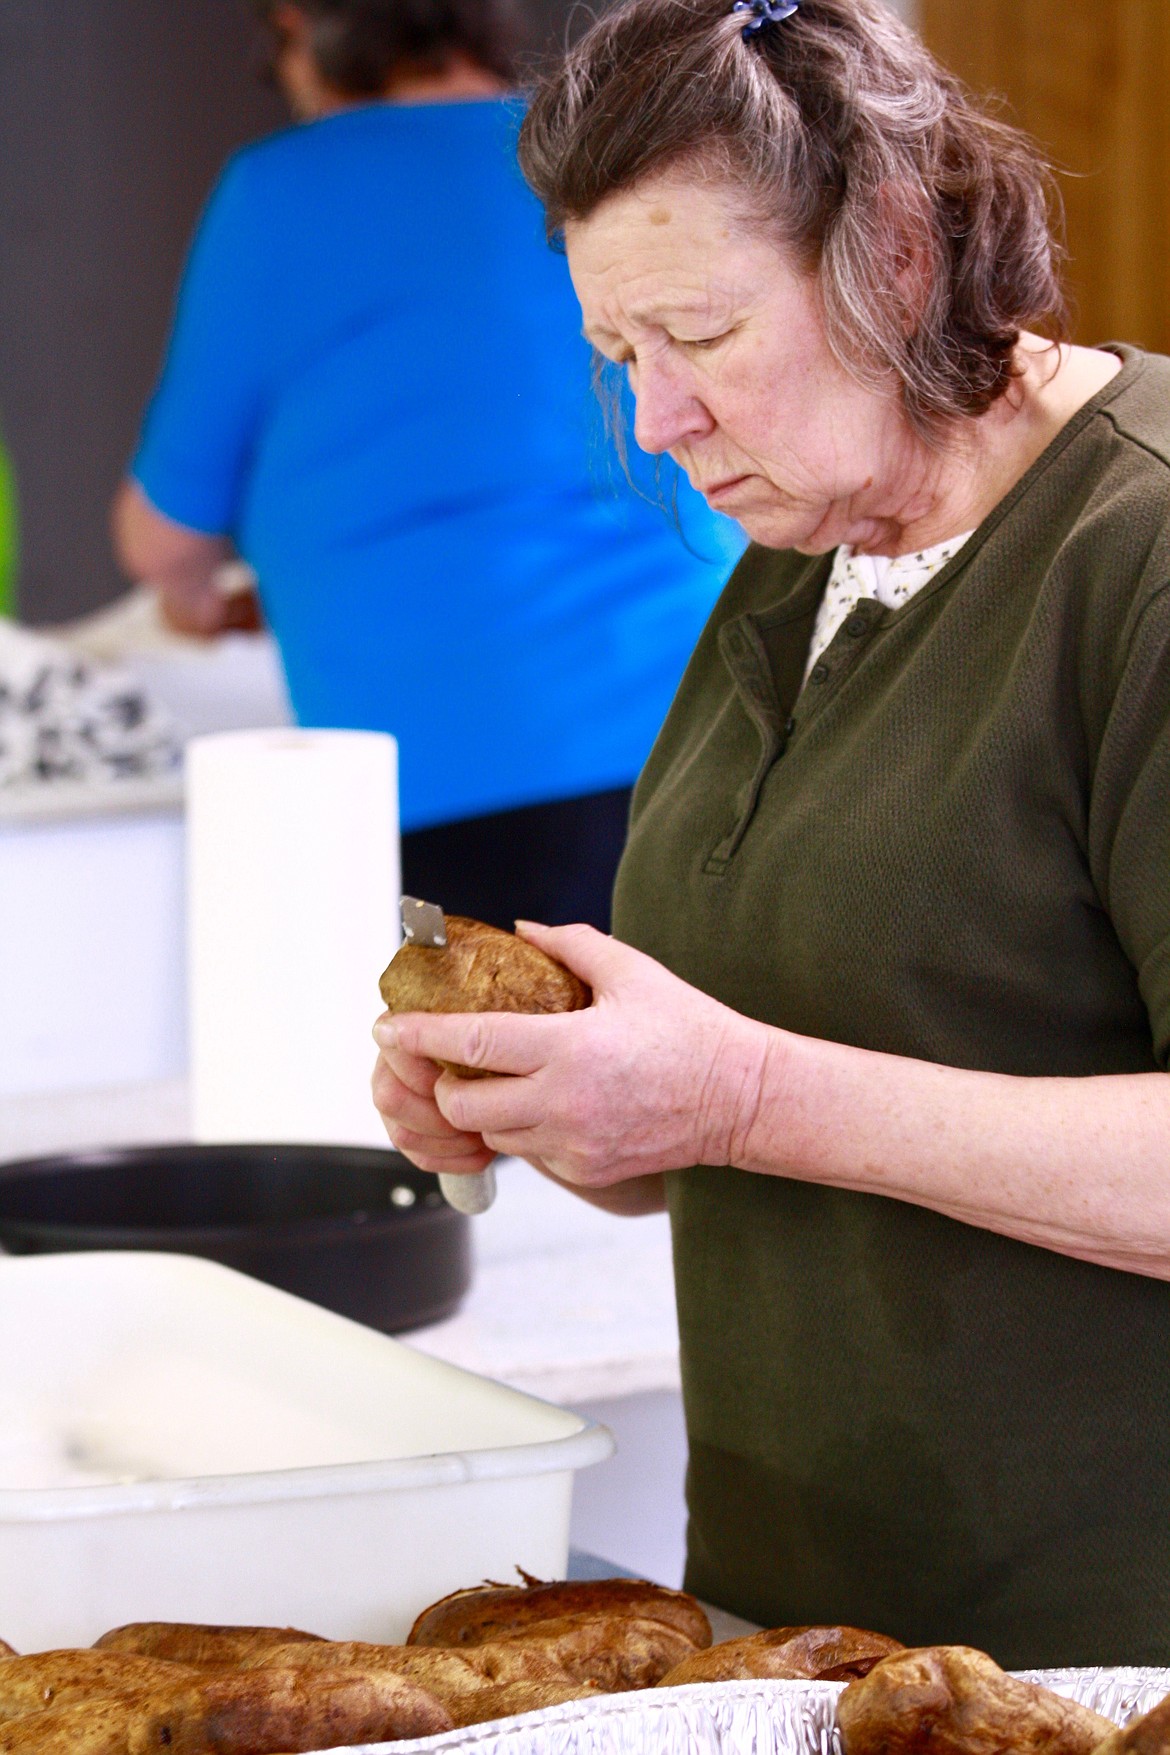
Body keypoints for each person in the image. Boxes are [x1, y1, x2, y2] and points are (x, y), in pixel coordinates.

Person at [372, 0, 1170, 1669]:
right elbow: (817, 1082)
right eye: (620, 360)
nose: (659, 420)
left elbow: (780, 1094)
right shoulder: (800, 554)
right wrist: (586, 1108)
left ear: (890, 249)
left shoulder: (1136, 559)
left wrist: (737, 1099)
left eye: (702, 335)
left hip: (1099, 1669)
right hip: (791, 1643)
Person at [112, 0, 743, 931]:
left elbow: (165, 539)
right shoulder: (600, 157)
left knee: (490, 1068)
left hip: (444, 779)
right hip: (707, 734)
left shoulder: (280, 192)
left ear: (304, 27)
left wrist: (197, 599)